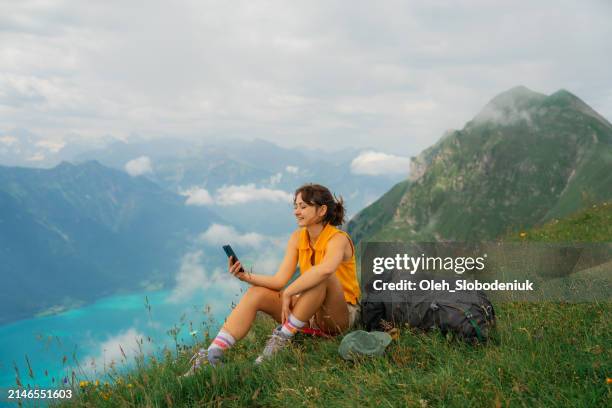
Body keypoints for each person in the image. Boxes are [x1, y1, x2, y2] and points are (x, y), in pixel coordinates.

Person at [183, 183, 361, 376]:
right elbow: (279, 281)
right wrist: (245, 276)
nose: (296, 212)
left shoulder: (338, 239)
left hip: (339, 315)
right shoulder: (297, 238)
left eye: (303, 206)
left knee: (323, 277)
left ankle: (278, 343)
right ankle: (211, 356)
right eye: (295, 206)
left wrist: (291, 292)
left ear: (322, 210)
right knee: (256, 293)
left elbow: (325, 270)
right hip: (308, 311)